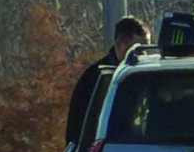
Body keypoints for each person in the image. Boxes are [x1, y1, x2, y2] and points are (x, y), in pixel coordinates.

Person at [62, 16, 149, 144]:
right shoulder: (97, 77)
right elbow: (79, 126)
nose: (144, 54)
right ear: (120, 44)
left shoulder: (149, 78)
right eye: (139, 48)